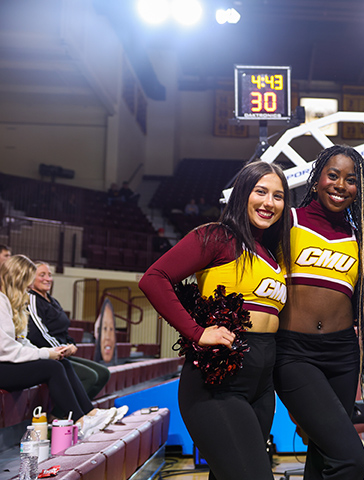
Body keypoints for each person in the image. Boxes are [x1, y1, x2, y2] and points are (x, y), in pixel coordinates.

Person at [139, 162, 292, 480]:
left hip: (262, 387)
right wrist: (196, 332)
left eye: (278, 196)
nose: (269, 202)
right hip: (218, 383)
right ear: (241, 194)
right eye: (260, 191)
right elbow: (154, 279)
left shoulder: (273, 253)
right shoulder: (217, 236)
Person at [273, 145, 364, 480]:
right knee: (350, 459)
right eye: (333, 175)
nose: (341, 185)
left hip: (342, 355)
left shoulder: (357, 236)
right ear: (316, 181)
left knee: (325, 452)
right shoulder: (289, 220)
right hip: (294, 353)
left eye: (351, 180)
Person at [0, 255, 118, 438]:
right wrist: (45, 353)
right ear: (17, 279)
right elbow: (6, 350)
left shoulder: (14, 302)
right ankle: (81, 421)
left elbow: (22, 341)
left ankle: (88, 414)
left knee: (62, 363)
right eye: (27, 282)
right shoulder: (1, 301)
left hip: (9, 361)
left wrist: (52, 352)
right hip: (3, 366)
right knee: (52, 367)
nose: (28, 287)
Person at [27, 262, 110, 399]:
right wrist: (61, 349)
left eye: (49, 275)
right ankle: (61, 415)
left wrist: (72, 345)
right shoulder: (31, 299)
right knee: (90, 377)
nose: (48, 279)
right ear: (30, 278)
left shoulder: (53, 301)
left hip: (62, 352)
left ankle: (80, 412)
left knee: (103, 374)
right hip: (48, 354)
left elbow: (64, 330)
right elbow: (38, 333)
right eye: (42, 275)